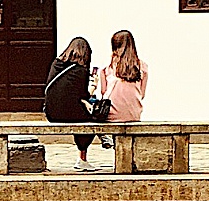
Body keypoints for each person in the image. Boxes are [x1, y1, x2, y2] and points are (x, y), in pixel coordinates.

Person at [43, 37, 100, 169]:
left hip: (51, 113)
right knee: (91, 120)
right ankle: (82, 158)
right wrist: (94, 86)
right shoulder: (81, 70)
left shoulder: (56, 64)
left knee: (80, 112)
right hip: (70, 113)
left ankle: (86, 156)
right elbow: (83, 95)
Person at [96, 29, 147, 148]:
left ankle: (106, 138)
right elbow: (142, 94)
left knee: (93, 115)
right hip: (133, 114)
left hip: (111, 115)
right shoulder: (142, 66)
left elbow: (103, 92)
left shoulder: (107, 66)